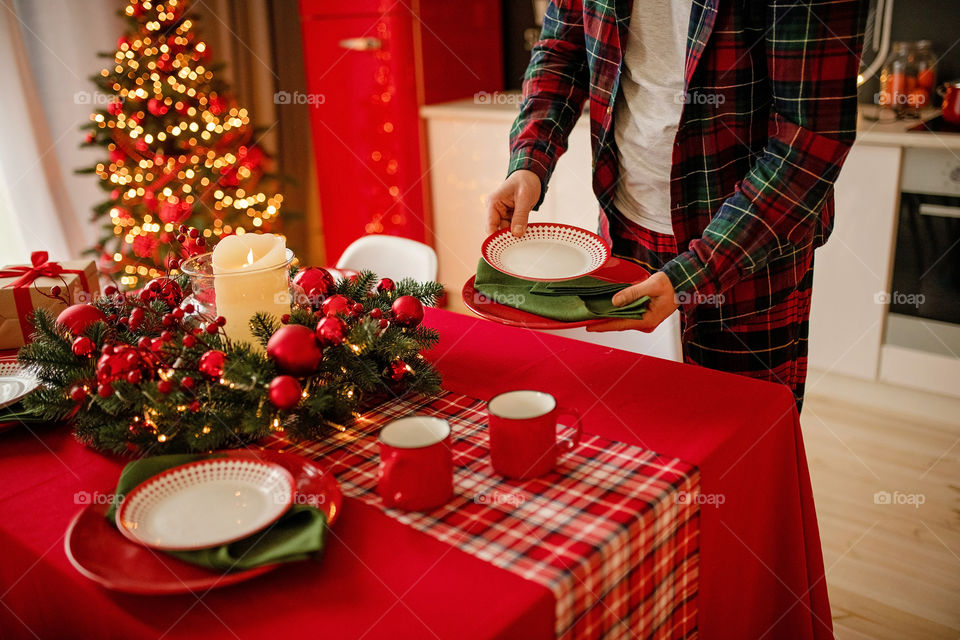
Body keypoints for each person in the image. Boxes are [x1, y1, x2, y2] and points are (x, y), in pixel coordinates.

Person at [486, 0, 866, 411]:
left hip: (749, 256)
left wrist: (697, 273)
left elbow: (810, 141)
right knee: (629, 425)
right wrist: (529, 159)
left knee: (740, 443)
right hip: (622, 235)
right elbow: (561, 52)